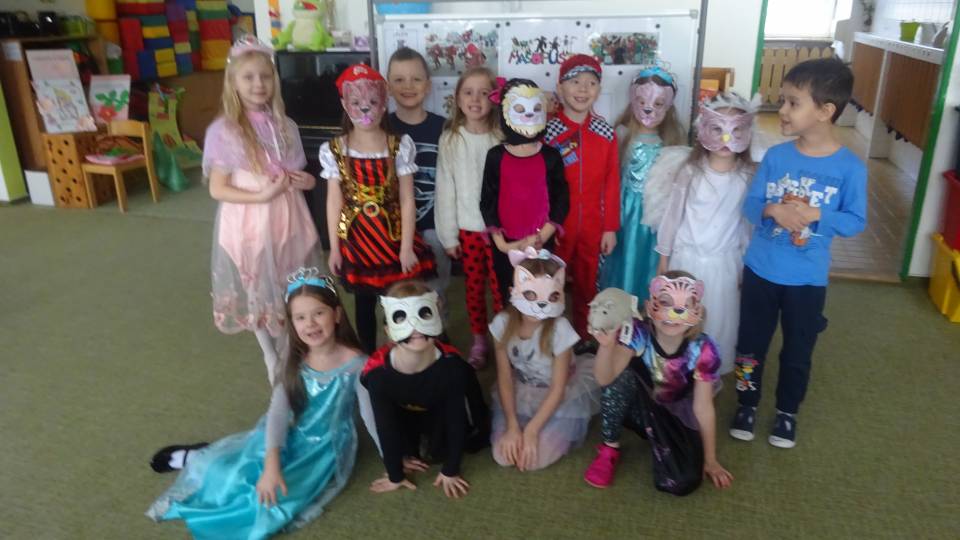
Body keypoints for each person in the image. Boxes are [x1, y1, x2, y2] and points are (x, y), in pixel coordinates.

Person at [147, 268, 366, 539]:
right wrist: (272, 464)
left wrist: (396, 457)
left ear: (337, 314)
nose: (310, 324)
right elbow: (278, 413)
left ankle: (202, 459)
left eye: (318, 313)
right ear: (292, 323)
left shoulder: (357, 364)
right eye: (300, 317)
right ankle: (195, 456)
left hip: (321, 449)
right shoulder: (294, 360)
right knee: (227, 474)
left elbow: (374, 414)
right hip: (284, 434)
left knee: (270, 500)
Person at [730, 58, 866, 448]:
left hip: (807, 281)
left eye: (793, 103)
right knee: (749, 346)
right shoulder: (776, 157)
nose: (783, 110)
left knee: (797, 351)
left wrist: (817, 215)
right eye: (784, 101)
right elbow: (751, 206)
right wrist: (773, 210)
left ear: (825, 111)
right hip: (760, 270)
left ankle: (787, 412)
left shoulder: (850, 169)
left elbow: (855, 221)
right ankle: (746, 403)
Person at [204, 36, 321, 383]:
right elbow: (218, 188)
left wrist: (306, 182)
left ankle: (288, 346)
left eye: (265, 76)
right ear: (234, 82)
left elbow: (298, 173)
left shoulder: (286, 126)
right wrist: (263, 195)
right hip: (250, 219)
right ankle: (270, 354)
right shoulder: (225, 130)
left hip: (288, 216)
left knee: (289, 281)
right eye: (249, 77)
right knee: (258, 285)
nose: (258, 84)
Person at [320, 63, 436, 353]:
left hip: (392, 237)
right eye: (357, 102)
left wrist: (406, 247)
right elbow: (334, 201)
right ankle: (369, 357)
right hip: (357, 241)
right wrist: (334, 248)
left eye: (372, 102)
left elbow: (407, 199)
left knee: (399, 300)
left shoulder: (399, 145)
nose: (365, 109)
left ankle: (403, 353)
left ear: (384, 104)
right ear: (345, 104)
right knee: (363, 304)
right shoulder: (334, 149)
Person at [585, 273, 734, 495]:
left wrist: (710, 459)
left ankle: (660, 438)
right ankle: (609, 447)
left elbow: (703, 408)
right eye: (665, 303)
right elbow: (605, 379)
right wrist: (606, 347)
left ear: (697, 312)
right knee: (622, 377)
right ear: (649, 306)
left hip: (675, 414)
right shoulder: (638, 332)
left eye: (684, 306)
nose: (673, 314)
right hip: (639, 407)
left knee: (683, 482)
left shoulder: (703, 348)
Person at [655, 92, 759, 373]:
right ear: (703, 129)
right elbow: (672, 216)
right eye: (717, 129)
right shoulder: (690, 171)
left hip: (724, 263)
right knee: (683, 317)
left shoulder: (747, 176)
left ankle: (708, 373)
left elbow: (747, 225)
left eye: (735, 130)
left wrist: (745, 264)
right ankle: (681, 371)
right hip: (686, 262)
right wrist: (664, 259)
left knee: (719, 320)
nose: (726, 138)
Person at [361, 280, 489, 498]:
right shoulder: (379, 375)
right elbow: (385, 424)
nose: (415, 327)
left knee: (445, 450)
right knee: (407, 451)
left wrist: (451, 470)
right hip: (405, 412)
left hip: (441, 408)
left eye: (424, 315)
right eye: (401, 318)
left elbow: (456, 418)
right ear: (389, 331)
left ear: (438, 321)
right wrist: (395, 474)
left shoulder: (453, 368)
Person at [490, 248, 599, 471]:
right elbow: (505, 377)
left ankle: (546, 426)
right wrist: (512, 425)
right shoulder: (502, 324)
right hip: (521, 389)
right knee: (503, 456)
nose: (540, 304)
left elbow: (558, 388)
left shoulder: (560, 329)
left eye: (551, 297)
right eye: (530, 295)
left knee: (533, 460)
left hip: (558, 394)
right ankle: (519, 425)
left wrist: (531, 431)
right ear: (513, 291)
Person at [543, 54, 621, 353]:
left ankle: (582, 337)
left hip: (593, 224)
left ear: (599, 90)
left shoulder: (605, 132)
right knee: (551, 280)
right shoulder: (548, 132)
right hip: (556, 225)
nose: (583, 89)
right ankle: (549, 334)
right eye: (575, 82)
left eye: (591, 83)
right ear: (560, 87)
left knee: (588, 283)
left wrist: (610, 227)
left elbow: (612, 182)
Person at [599, 66, 688, 302]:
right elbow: (609, 178)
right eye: (642, 101)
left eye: (659, 104)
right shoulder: (620, 135)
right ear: (633, 101)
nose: (649, 109)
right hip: (625, 213)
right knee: (624, 260)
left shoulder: (672, 141)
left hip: (655, 217)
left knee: (648, 264)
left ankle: (646, 312)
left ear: (668, 106)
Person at [434, 66, 503, 369]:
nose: (476, 99)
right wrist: (449, 236)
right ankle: (479, 340)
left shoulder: (503, 137)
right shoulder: (451, 139)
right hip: (468, 230)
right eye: (468, 92)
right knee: (474, 289)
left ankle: (502, 339)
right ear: (458, 98)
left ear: (495, 98)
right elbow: (445, 188)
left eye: (484, 93)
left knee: (501, 289)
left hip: (500, 232)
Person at [480, 78, 569, 302]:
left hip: (542, 243)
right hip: (506, 245)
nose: (529, 114)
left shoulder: (550, 156)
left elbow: (561, 198)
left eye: (535, 109)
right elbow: (488, 200)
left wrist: (542, 236)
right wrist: (502, 244)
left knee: (542, 294)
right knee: (510, 294)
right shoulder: (495, 156)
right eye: (520, 109)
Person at [385, 47, 451, 307]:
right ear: (388, 87)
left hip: (434, 226)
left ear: (428, 85)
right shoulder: (381, 128)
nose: (408, 86)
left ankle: (438, 327)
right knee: (397, 292)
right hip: (392, 228)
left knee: (434, 292)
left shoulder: (444, 128)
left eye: (416, 79)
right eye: (399, 79)